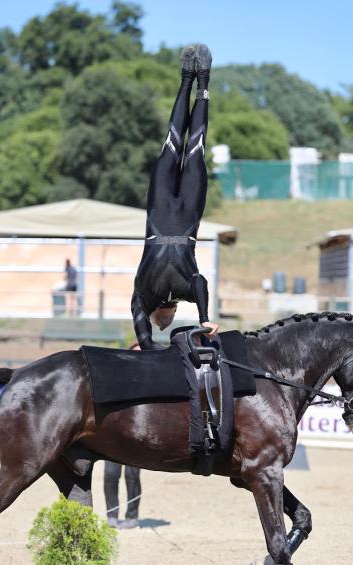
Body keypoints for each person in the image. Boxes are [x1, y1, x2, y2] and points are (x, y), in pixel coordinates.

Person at [131, 44, 220, 350]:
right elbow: (200, 283)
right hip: (185, 214)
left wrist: (147, 342)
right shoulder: (183, 290)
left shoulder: (143, 296)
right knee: (194, 146)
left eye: (159, 320)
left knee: (174, 142)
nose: (163, 319)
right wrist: (205, 317)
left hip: (161, 209)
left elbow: (143, 337)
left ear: (156, 312)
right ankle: (203, 81)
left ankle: (188, 78)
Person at [104, 341, 143, 529]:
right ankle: (111, 514)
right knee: (111, 474)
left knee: (132, 475)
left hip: (136, 436)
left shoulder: (150, 381)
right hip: (114, 436)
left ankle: (132, 516)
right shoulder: (118, 378)